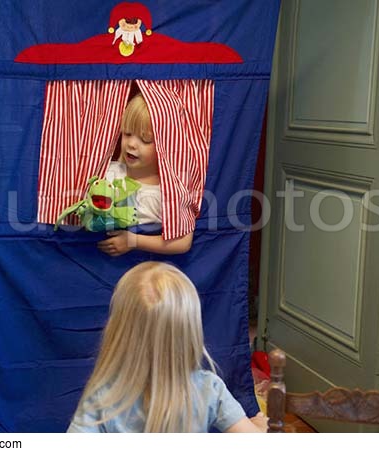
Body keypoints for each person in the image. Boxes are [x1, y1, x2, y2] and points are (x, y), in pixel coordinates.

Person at [68, 262, 267, 432]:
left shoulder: (105, 396)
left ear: (118, 332)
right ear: (190, 332)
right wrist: (259, 426)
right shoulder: (209, 388)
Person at [97, 94, 193, 256]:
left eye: (145, 140)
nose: (131, 144)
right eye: (127, 134)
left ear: (165, 146)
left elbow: (183, 242)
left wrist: (133, 241)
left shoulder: (169, 190)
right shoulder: (108, 172)